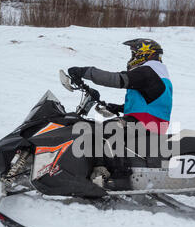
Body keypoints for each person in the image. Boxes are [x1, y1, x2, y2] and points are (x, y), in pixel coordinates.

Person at [68, 38, 173, 188]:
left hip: (145, 124)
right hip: (148, 122)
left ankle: (109, 176)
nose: (131, 58)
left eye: (133, 54)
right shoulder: (158, 74)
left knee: (100, 130)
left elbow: (116, 79)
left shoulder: (148, 71)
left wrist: (84, 72)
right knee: (107, 130)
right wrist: (117, 107)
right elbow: (149, 103)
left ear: (144, 54)